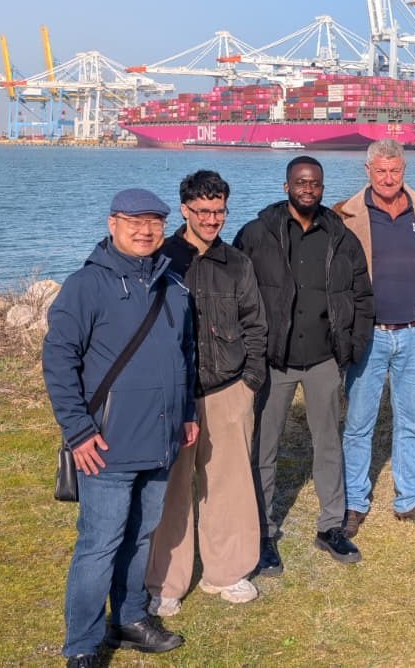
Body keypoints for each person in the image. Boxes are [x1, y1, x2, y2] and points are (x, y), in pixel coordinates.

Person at [42, 188, 197, 666]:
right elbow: (58, 360)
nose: (145, 230)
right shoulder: (86, 286)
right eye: (134, 221)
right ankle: (82, 646)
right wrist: (78, 431)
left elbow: (185, 357)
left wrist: (187, 412)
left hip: (161, 438)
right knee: (99, 544)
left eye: (154, 222)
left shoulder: (175, 286)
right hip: (106, 444)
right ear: (112, 224)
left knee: (142, 535)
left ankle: (129, 620)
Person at [233, 156, 372, 573]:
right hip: (273, 361)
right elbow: (236, 295)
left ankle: (331, 526)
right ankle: (261, 530)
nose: (308, 189)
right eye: (300, 182)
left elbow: (362, 296)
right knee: (264, 447)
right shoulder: (257, 234)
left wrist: (354, 345)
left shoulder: (341, 236)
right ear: (286, 185)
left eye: (314, 183)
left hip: (324, 359)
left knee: (328, 444)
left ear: (322, 187)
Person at [147, 171, 267, 613]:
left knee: (228, 484)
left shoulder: (236, 263)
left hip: (228, 390)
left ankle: (227, 572)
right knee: (172, 487)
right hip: (171, 393)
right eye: (203, 211)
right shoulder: (161, 258)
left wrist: (250, 381)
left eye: (219, 211)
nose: (212, 219)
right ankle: (164, 582)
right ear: (184, 210)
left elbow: (256, 322)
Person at [335, 138, 415, 534]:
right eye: (380, 171)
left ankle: (408, 500)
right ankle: (354, 503)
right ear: (368, 171)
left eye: (394, 171)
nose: (387, 178)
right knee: (359, 424)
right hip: (369, 335)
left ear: (404, 170)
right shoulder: (345, 215)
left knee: (412, 421)